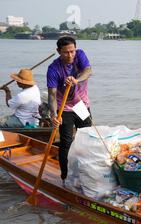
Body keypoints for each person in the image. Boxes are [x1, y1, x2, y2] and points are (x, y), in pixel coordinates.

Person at [47, 36, 93, 182]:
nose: (70, 55)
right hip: (64, 108)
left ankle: (87, 172)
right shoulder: (53, 69)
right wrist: (54, 115)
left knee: (87, 138)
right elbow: (52, 95)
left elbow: (88, 71)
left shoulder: (80, 55)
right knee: (66, 142)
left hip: (81, 105)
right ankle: (65, 176)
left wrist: (76, 80)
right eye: (66, 52)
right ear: (58, 51)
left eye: (72, 51)